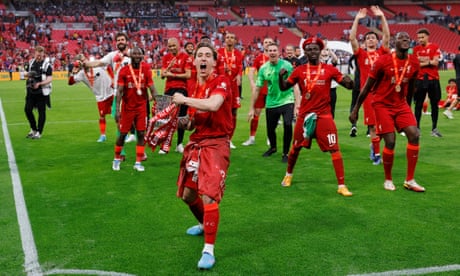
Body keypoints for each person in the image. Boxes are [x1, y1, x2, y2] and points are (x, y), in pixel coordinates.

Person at [171, 42, 232, 270]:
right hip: (197, 143)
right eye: (200, 55)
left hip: (216, 145)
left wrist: (184, 101)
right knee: (188, 195)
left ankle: (209, 250)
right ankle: (203, 223)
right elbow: (195, 121)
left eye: (208, 55)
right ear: (194, 61)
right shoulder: (194, 85)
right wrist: (177, 122)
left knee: (208, 197)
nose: (204, 58)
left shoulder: (221, 80)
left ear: (214, 61)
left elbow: (214, 105)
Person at [278, 37, 354, 197]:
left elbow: (347, 85)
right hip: (304, 116)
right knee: (295, 148)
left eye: (315, 49)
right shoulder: (299, 70)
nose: (312, 51)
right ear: (305, 52)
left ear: (320, 51)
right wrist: (280, 77)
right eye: (309, 49)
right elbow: (284, 87)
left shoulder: (329, 69)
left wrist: (350, 82)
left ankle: (341, 185)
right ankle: (288, 174)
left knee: (335, 149)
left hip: (324, 116)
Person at [349, 31, 425, 192]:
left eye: (407, 38)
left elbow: (411, 86)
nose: (405, 39)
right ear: (393, 43)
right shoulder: (382, 61)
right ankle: (388, 179)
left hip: (401, 104)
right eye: (401, 38)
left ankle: (410, 180)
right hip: (382, 104)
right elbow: (367, 87)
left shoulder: (414, 62)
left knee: (415, 134)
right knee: (390, 141)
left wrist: (408, 105)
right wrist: (355, 109)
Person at [349, 6, 390, 165]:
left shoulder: (382, 52)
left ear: (376, 41)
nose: (371, 39)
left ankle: (378, 148)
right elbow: (352, 39)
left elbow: (387, 35)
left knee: (384, 126)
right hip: (368, 95)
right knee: (372, 126)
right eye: (368, 38)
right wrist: (357, 19)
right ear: (365, 43)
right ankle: (377, 154)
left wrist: (382, 17)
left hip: (383, 93)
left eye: (373, 37)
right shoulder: (361, 54)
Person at [84, 32, 132, 160]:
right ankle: (121, 153)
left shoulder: (133, 54)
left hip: (131, 92)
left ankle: (141, 151)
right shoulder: (112, 55)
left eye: (122, 39)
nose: (120, 41)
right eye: (118, 40)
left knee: (136, 121)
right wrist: (86, 63)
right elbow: (99, 63)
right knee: (118, 122)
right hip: (118, 93)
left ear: (127, 41)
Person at [248, 42, 298, 162]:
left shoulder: (287, 66)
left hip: (287, 100)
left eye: (274, 50)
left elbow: (295, 86)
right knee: (270, 128)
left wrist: (297, 105)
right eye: (269, 50)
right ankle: (273, 147)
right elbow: (257, 89)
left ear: (279, 52)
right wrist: (251, 108)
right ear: (266, 52)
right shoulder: (264, 68)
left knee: (287, 125)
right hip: (271, 102)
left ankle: (286, 153)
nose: (272, 52)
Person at [112, 47, 157, 172]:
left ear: (142, 56)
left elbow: (152, 88)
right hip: (127, 108)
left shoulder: (146, 69)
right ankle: (116, 159)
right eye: (135, 53)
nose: (137, 55)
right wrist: (117, 110)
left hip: (141, 107)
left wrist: (159, 103)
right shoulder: (124, 70)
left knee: (141, 133)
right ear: (130, 55)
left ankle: (138, 162)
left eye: (139, 53)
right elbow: (119, 92)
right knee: (122, 134)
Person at [68, 54, 114, 142]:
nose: (84, 62)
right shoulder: (81, 74)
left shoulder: (96, 65)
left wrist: (113, 79)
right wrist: (72, 72)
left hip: (111, 92)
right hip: (100, 97)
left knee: (117, 114)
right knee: (102, 116)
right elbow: (70, 83)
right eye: (81, 61)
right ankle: (103, 135)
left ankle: (124, 134)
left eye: (84, 59)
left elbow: (108, 67)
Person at [160, 37, 192, 154]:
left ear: (179, 45)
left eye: (174, 45)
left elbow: (188, 75)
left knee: (181, 118)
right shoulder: (166, 58)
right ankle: (165, 145)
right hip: (168, 89)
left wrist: (172, 74)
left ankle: (179, 144)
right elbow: (162, 75)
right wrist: (166, 72)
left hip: (182, 89)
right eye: (170, 46)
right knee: (166, 118)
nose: (172, 48)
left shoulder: (186, 57)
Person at [242, 37, 274, 146]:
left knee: (271, 115)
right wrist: (251, 82)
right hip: (261, 90)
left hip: (273, 91)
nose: (268, 44)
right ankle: (252, 138)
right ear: (263, 45)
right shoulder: (259, 58)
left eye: (270, 42)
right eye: (266, 42)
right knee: (256, 114)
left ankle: (270, 137)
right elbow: (251, 71)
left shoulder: (277, 58)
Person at [412, 28, 443, 137]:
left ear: (427, 36)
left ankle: (434, 128)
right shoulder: (415, 49)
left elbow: (435, 63)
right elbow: (415, 64)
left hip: (433, 79)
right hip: (420, 79)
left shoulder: (435, 47)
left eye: (422, 37)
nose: (420, 39)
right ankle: (417, 128)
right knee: (418, 104)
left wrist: (422, 60)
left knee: (434, 104)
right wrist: (428, 61)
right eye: (419, 37)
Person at [217, 32, 243, 149]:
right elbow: (214, 68)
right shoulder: (219, 53)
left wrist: (239, 75)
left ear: (235, 40)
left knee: (234, 112)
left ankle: (229, 139)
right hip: (221, 86)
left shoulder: (238, 54)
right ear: (224, 39)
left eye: (232, 38)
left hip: (233, 87)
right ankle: (219, 137)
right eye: (227, 37)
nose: (229, 39)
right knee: (220, 111)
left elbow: (240, 68)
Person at [24, 45, 53, 139]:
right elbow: (25, 73)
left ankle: (39, 132)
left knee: (41, 112)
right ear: (34, 54)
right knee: (27, 110)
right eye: (37, 55)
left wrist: (39, 84)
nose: (39, 57)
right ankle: (33, 129)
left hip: (42, 91)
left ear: (43, 54)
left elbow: (50, 78)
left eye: (40, 55)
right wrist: (28, 75)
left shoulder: (47, 65)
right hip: (30, 91)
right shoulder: (31, 62)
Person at [320, 41, 339, 118]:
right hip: (321, 88)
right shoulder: (318, 61)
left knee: (332, 108)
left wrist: (329, 50)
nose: (325, 51)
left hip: (332, 88)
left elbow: (335, 59)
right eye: (323, 50)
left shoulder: (331, 60)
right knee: (321, 108)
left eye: (326, 50)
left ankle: (331, 126)